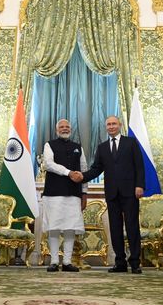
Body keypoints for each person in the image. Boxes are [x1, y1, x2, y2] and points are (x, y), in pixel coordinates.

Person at [76, 115, 145, 274]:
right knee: (115, 228)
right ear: (106, 127)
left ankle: (135, 262)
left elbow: (139, 166)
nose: (111, 127)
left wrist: (139, 185)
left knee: (132, 227)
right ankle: (120, 262)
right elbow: (96, 169)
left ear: (120, 125)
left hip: (130, 192)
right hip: (112, 193)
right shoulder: (102, 147)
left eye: (114, 124)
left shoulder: (131, 143)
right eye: (109, 125)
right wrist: (82, 176)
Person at [42, 119, 87, 272]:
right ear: (57, 130)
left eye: (67, 126)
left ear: (71, 129)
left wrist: (84, 194)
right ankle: (54, 260)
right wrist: (68, 173)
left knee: (70, 228)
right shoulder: (49, 144)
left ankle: (67, 262)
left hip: (74, 193)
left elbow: (83, 171)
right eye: (61, 127)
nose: (64, 129)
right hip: (53, 193)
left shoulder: (78, 147)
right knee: (53, 227)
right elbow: (48, 164)